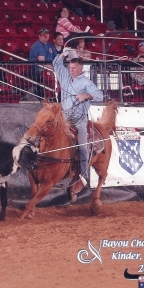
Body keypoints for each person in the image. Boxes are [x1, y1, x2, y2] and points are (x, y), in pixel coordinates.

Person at [52, 49, 104, 190]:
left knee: (82, 148)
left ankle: (83, 174)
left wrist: (86, 96)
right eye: (70, 67)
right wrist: (63, 54)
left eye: (74, 68)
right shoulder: (64, 76)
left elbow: (99, 96)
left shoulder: (86, 83)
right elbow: (56, 63)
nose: (71, 70)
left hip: (79, 120)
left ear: (81, 69)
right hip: (63, 118)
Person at [28, 28, 58, 98]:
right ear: (39, 36)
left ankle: (55, 95)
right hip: (38, 69)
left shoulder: (50, 46)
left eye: (47, 34)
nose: (45, 36)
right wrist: (53, 67)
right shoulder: (37, 45)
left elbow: (57, 59)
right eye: (43, 34)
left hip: (49, 68)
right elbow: (42, 61)